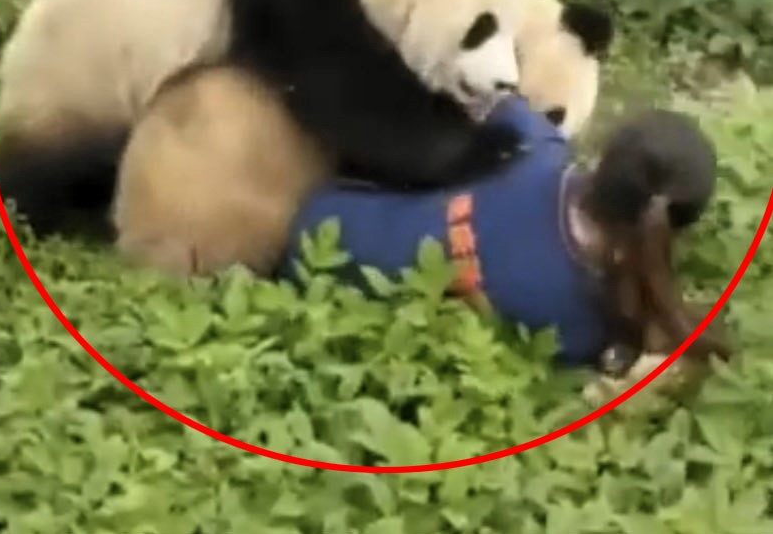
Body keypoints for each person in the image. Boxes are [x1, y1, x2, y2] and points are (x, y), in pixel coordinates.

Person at [278, 95, 731, 372]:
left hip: (326, 210)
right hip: (319, 280)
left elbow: (499, 101)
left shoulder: (535, 145)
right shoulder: (579, 317)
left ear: (604, 156)